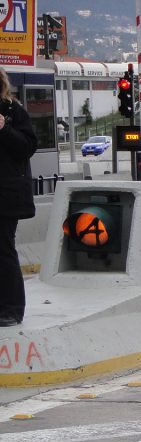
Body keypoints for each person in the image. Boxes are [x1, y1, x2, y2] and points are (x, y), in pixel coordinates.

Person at [0, 68, 37, 328]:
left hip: (6, 194)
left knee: (3, 250)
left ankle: (12, 309)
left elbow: (27, 147)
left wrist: (4, 129)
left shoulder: (12, 111)